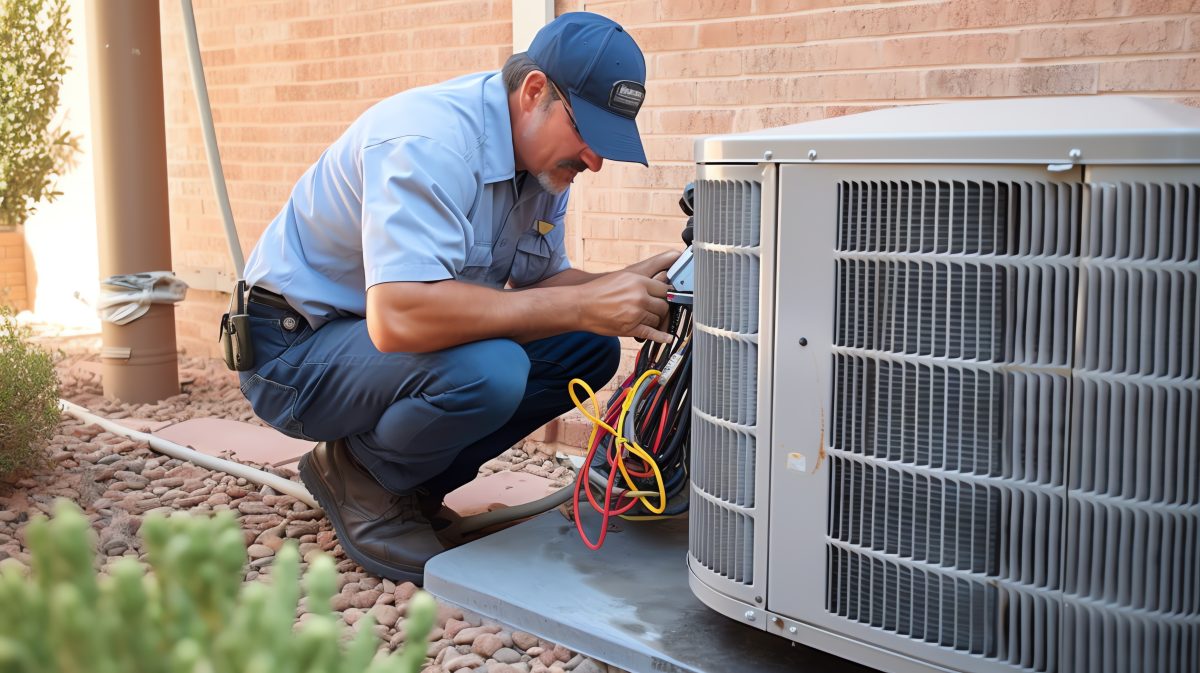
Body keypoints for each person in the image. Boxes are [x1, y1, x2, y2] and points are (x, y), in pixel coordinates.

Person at [234, 12, 678, 584]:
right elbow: (400, 318)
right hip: (292, 351)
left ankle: (413, 485)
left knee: (586, 347)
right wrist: (581, 305)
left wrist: (624, 283)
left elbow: (538, 289)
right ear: (534, 91)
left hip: (372, 348)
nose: (594, 160)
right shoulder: (429, 142)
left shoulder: (542, 166)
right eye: (587, 133)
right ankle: (363, 477)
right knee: (491, 370)